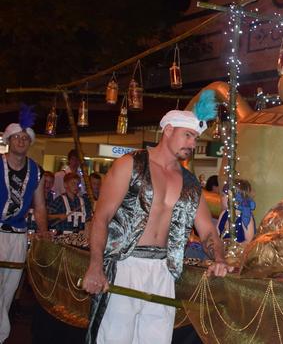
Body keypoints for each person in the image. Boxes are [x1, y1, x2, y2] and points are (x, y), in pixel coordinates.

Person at [81, 109, 230, 344]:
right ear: (168, 130)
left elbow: (208, 231)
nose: (192, 143)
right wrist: (95, 266)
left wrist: (219, 258)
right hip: (124, 265)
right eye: (188, 135)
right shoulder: (129, 164)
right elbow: (101, 217)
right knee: (113, 338)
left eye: (196, 138)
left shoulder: (190, 182)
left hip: (163, 271)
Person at [0, 114, 48, 343]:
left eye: (24, 138)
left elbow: (39, 206)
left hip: (18, 237)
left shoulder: (36, 171)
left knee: (9, 291)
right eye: (16, 137)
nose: (20, 141)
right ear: (9, 139)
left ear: (29, 142)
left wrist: (43, 232)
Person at [217, 179, 256, 244]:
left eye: (223, 195)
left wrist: (233, 250)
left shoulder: (245, 217)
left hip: (239, 251)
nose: (221, 198)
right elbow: (217, 232)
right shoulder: (224, 213)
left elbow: (249, 240)